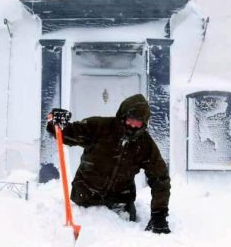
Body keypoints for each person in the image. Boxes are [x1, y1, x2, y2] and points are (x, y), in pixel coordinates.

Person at [46, 94, 171, 234]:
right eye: (131, 119)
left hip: (120, 204)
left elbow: (160, 179)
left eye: (139, 122)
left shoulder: (145, 144)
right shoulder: (98, 127)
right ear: (122, 116)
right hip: (85, 200)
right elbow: (66, 134)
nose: (133, 125)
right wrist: (55, 123)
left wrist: (159, 214)